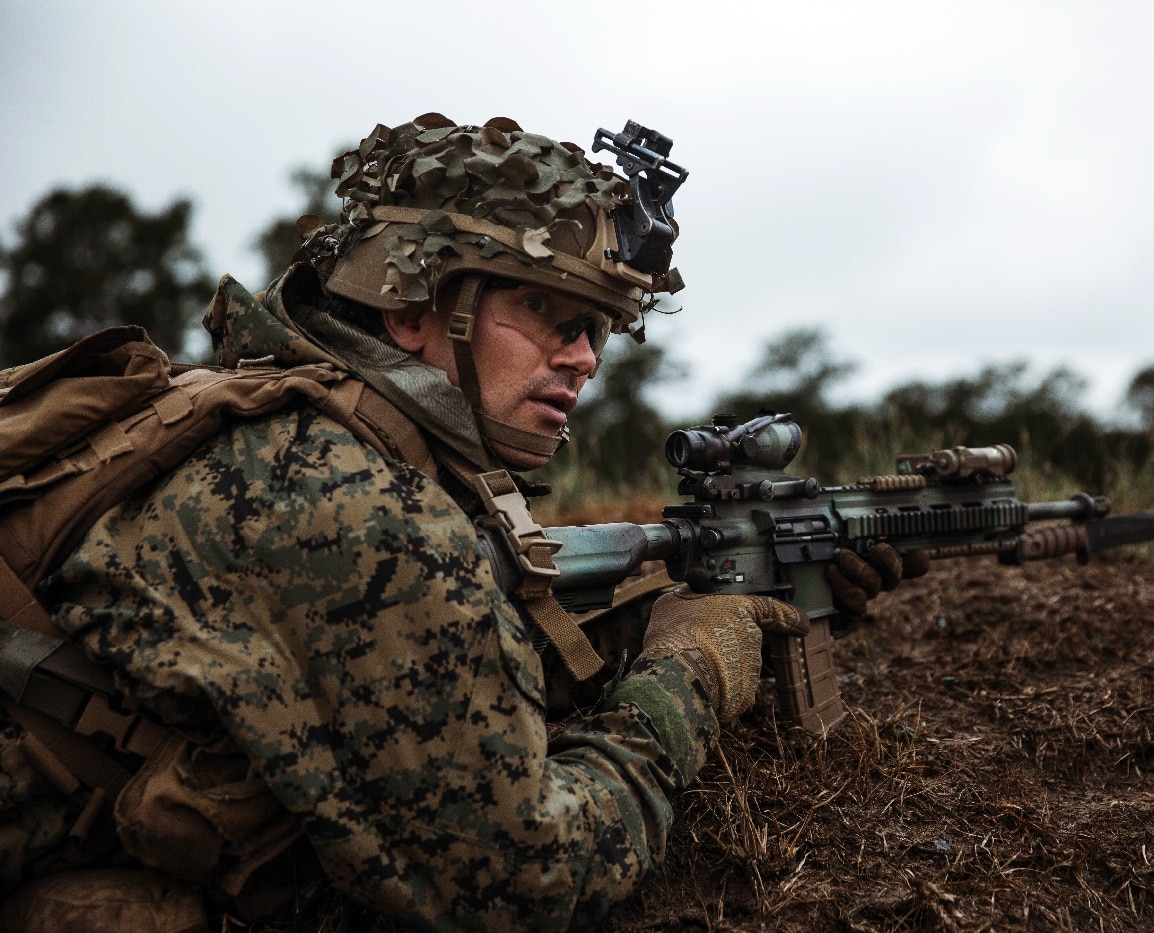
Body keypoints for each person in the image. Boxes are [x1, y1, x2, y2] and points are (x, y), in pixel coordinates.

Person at [0, 114, 908, 932]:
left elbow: (445, 657)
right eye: (545, 310)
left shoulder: (277, 419)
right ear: (411, 309)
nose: (584, 358)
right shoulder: (365, 512)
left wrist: (712, 595)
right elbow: (527, 884)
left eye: (597, 326)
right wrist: (690, 670)